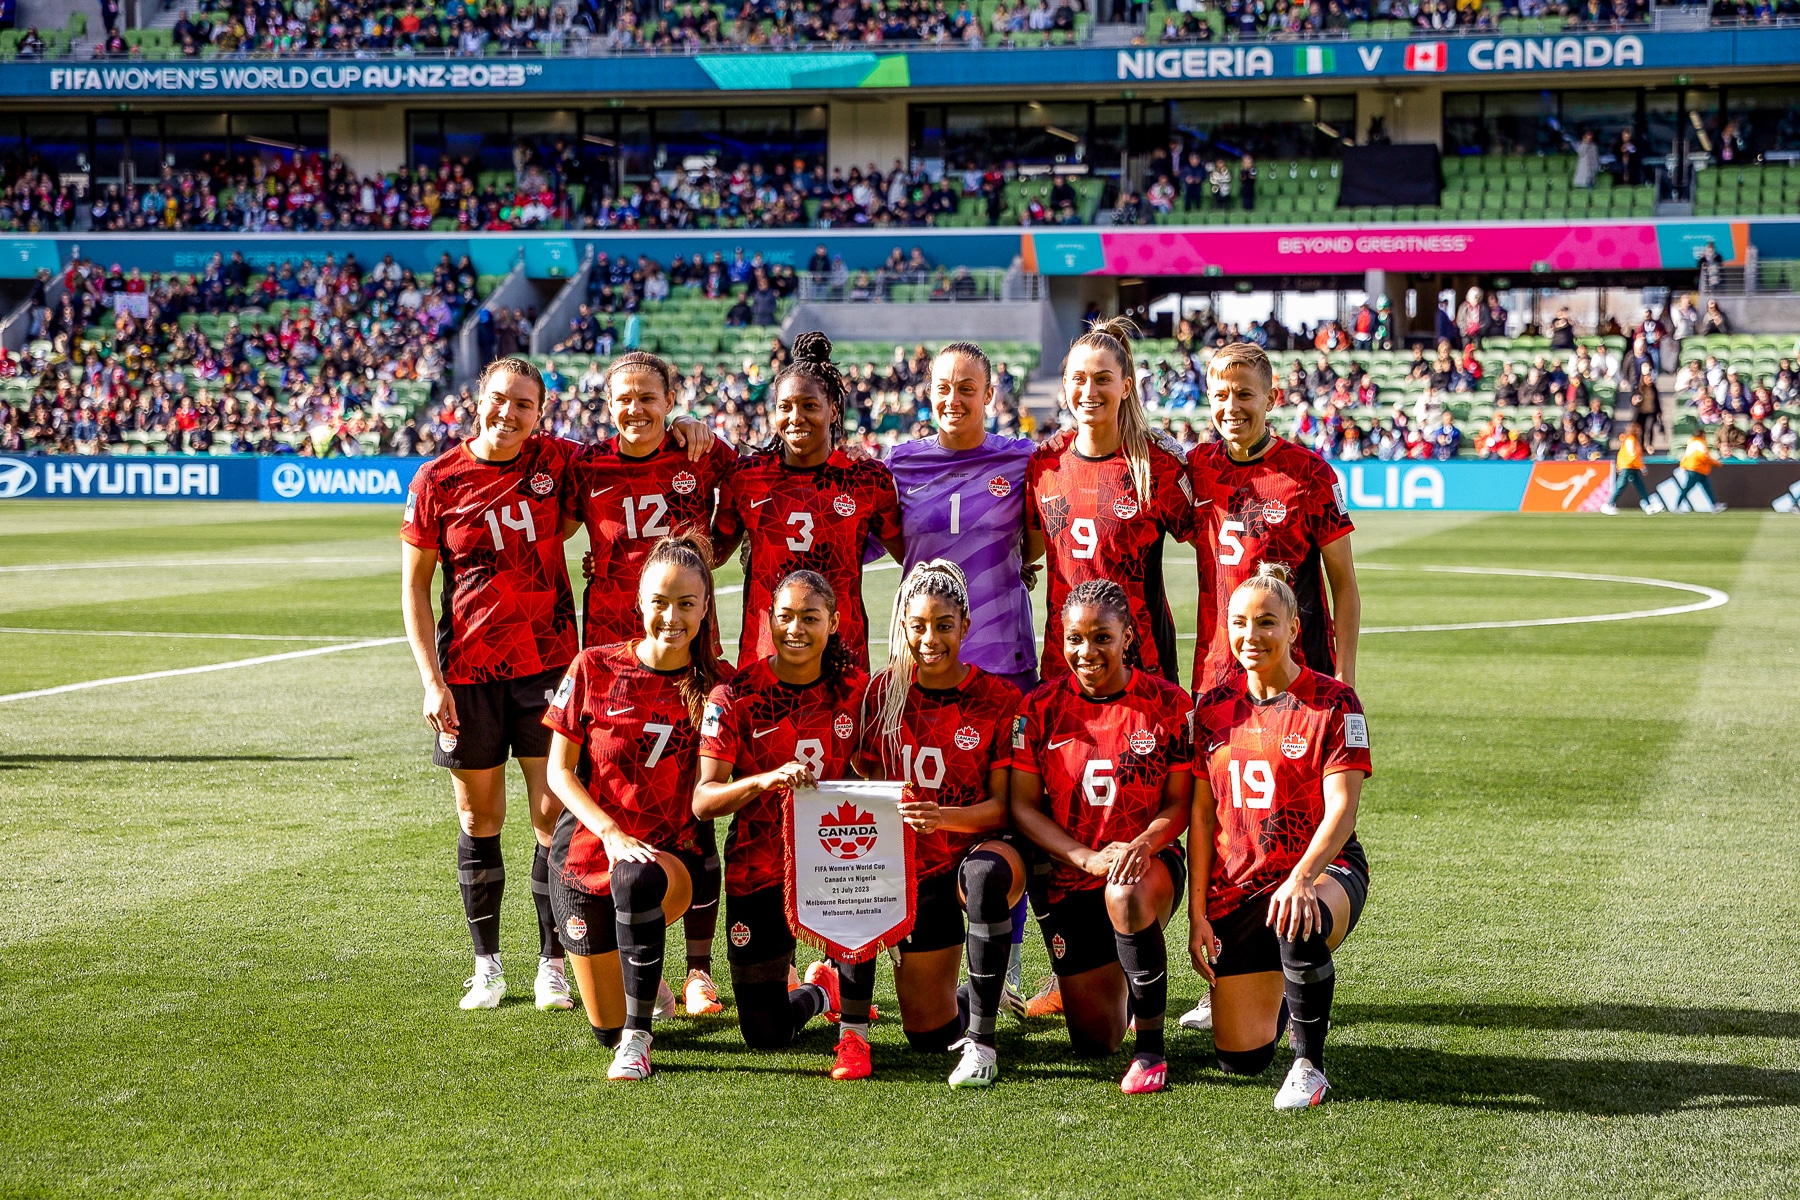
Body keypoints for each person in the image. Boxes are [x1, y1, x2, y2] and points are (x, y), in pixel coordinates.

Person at [400, 357, 580, 1014]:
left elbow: (630, 457)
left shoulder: (559, 464)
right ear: (478, 399)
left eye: (524, 405)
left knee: (549, 815)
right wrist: (430, 680)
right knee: (480, 817)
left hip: (549, 665)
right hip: (468, 674)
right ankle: (486, 965)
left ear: (541, 414)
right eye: (500, 399)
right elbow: (416, 587)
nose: (509, 413)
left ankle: (552, 964)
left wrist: (688, 433)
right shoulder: (437, 480)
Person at [570, 351, 735, 1016]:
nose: (635, 409)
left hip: (690, 658)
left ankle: (697, 971)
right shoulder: (585, 464)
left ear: (671, 399)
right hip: (610, 661)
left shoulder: (699, 453)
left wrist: (712, 545)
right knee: (609, 794)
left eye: (648, 397)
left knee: (695, 802)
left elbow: (745, 491)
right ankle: (592, 956)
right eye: (623, 398)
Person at [885, 341, 1042, 1014]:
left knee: (1007, 815)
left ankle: (1000, 963)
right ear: (928, 392)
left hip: (1003, 662)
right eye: (943, 388)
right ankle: (916, 945)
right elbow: (896, 544)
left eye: (967, 388)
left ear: (990, 394)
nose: (954, 400)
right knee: (921, 804)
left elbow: (1037, 540)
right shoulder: (899, 463)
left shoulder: (1021, 459)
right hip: (919, 667)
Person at [541, 534, 725, 1081]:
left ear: (705, 607)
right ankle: (646, 990)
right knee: (602, 1026)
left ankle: (638, 1041)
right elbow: (558, 772)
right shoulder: (593, 666)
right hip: (580, 858)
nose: (672, 616)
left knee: (635, 878)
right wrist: (609, 831)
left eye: (686, 604)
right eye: (660, 602)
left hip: (669, 864)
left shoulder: (718, 685)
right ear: (639, 602)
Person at [1188, 563, 1371, 1110]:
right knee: (1239, 1059)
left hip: (1323, 868)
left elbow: (1342, 810)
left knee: (1297, 910)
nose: (1251, 636)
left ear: (1294, 628)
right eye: (1239, 623)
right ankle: (1290, 997)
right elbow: (1200, 818)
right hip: (1239, 885)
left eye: (1267, 622)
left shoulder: (1334, 702)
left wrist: (1302, 876)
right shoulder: (1212, 709)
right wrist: (1197, 912)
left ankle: (1309, 1066)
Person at [843, 561, 1025, 1086]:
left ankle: (984, 1024)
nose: (930, 638)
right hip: (905, 872)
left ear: (965, 625)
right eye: (918, 625)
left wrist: (939, 816)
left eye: (943, 625)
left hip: (966, 859)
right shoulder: (883, 694)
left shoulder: (998, 699)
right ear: (902, 626)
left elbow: (1005, 807)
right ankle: (969, 996)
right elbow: (863, 767)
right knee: (926, 1035)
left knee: (984, 876)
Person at [1011, 579, 1193, 1095]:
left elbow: (1180, 804)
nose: (1086, 652)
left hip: (1146, 864)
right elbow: (1022, 807)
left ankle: (1152, 1053)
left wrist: (1142, 844)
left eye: (1101, 638)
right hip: (1072, 873)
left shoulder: (1168, 705)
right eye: (1074, 639)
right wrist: (1086, 857)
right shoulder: (1039, 708)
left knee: (1126, 895)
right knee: (1094, 1041)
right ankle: (1127, 984)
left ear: (1128, 637)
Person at [693, 571, 864, 1055]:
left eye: (810, 618)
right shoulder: (734, 696)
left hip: (838, 864)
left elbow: (876, 772)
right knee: (765, 1037)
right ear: (768, 619)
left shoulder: (858, 691)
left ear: (833, 623)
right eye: (785, 616)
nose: (795, 629)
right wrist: (763, 779)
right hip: (759, 865)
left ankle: (854, 1022)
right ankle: (817, 993)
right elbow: (703, 801)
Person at [712, 332, 905, 672]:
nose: (796, 417)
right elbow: (711, 553)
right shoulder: (746, 476)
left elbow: (912, 553)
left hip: (842, 661)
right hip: (764, 661)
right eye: (784, 407)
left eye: (810, 406)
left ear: (834, 410)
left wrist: (1010, 558)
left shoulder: (867, 478)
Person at [1026, 317, 1194, 687]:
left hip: (1141, 666)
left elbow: (1215, 549)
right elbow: (1027, 551)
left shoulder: (1156, 465)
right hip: (1064, 666)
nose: (1090, 390)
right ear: (1065, 384)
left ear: (1125, 386)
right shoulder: (1044, 466)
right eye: (1079, 379)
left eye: (1103, 378)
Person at [1600, 426, 1652, 515]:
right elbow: (1632, 455)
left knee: (1640, 486)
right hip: (1627, 465)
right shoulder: (1630, 440)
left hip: (1632, 466)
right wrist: (1641, 466)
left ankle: (1647, 505)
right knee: (1621, 485)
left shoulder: (1634, 440)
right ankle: (1609, 504)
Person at [1673, 430, 1725, 512]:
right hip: (1696, 469)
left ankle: (1715, 505)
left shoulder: (1692, 443)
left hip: (1697, 469)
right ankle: (1677, 506)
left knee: (1707, 488)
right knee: (1688, 488)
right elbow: (1704, 458)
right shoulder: (1699, 444)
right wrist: (1716, 463)